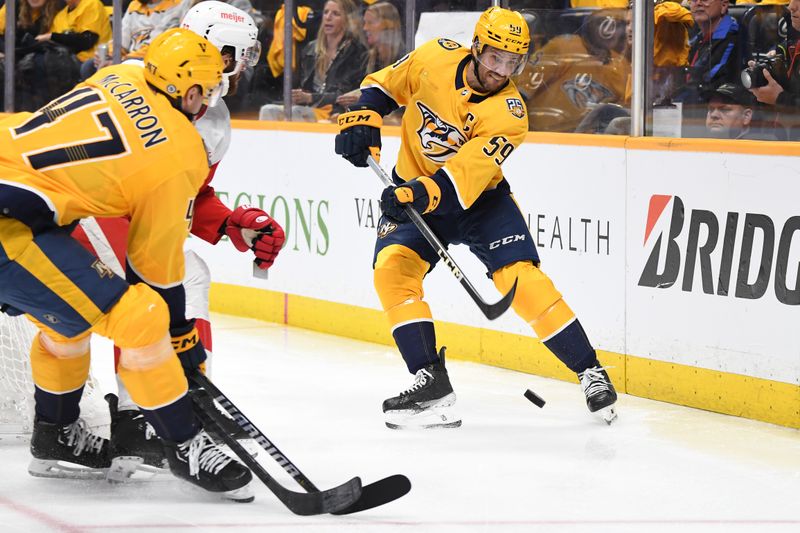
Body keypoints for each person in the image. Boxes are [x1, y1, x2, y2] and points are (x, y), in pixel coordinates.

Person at [0, 27, 254, 500]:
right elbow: (153, 273)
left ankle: (55, 437)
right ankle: (184, 444)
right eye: (210, 87)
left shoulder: (121, 73)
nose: (213, 97)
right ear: (192, 90)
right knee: (142, 317)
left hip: (20, 203)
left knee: (68, 317)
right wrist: (182, 343)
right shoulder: (180, 152)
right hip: (9, 223)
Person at [334, 6, 618, 429]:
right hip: (415, 192)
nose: (500, 70)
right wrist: (365, 119)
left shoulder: (510, 113)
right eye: (493, 57)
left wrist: (413, 192)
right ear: (476, 47)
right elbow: (384, 85)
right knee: (391, 273)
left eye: (511, 62)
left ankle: (589, 370)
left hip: (479, 202)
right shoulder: (434, 57)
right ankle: (430, 380)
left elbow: (461, 178)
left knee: (521, 281)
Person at [69, 1, 285, 478]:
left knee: (180, 279)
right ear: (220, 51)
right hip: (78, 209)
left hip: (114, 214)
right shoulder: (134, 78)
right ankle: (157, 410)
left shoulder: (209, 111)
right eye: (241, 54)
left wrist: (232, 224)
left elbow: (187, 196)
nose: (246, 65)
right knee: (166, 285)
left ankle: (143, 415)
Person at [259, 0, 367, 122]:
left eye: (336, 14)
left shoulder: (355, 52)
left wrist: (310, 98)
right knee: (268, 110)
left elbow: (345, 95)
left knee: (296, 113)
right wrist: (298, 95)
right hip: (309, 106)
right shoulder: (311, 49)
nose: (328, 17)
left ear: (347, 21)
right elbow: (304, 86)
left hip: (335, 110)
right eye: (326, 12)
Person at [675, 0, 742, 135]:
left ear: (724, 6)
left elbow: (706, 81)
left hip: (715, 124)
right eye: (693, 0)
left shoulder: (733, 37)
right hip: (692, 117)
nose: (698, 3)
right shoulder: (696, 38)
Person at [335, 1, 404, 112]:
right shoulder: (365, 59)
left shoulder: (404, 59)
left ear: (388, 27)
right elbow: (346, 89)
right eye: (365, 23)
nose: (365, 28)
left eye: (370, 23)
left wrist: (366, 98)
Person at [747, 0, 800, 138]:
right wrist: (766, 79)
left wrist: (780, 98)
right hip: (783, 142)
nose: (791, 7)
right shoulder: (789, 44)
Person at [705, 82, 778, 139]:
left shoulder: (762, 148)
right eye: (711, 109)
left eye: (725, 109)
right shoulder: (697, 141)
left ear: (746, 116)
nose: (714, 115)